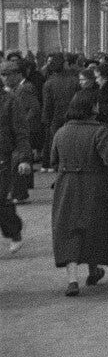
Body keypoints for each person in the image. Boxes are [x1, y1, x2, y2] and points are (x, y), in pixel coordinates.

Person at [51, 89, 108, 296]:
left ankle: (72, 278)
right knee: (93, 226)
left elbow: (53, 160)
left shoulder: (61, 131)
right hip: (94, 183)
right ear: (91, 107)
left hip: (66, 183)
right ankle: (93, 270)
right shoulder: (100, 131)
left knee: (68, 228)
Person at [0, 77, 31, 253]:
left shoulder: (10, 101)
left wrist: (24, 158)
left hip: (4, 155)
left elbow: (21, 131)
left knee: (1, 198)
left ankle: (14, 232)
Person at [3, 60, 41, 204]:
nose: (6, 78)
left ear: (18, 75)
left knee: (17, 164)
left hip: (19, 133)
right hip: (10, 135)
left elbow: (34, 108)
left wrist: (24, 121)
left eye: (9, 75)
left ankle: (19, 193)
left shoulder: (25, 88)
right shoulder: (9, 92)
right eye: (3, 75)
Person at [40, 55, 78, 172]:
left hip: (55, 117)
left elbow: (47, 105)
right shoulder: (74, 80)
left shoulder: (49, 83)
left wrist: (46, 120)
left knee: (55, 141)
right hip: (72, 116)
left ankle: (54, 165)